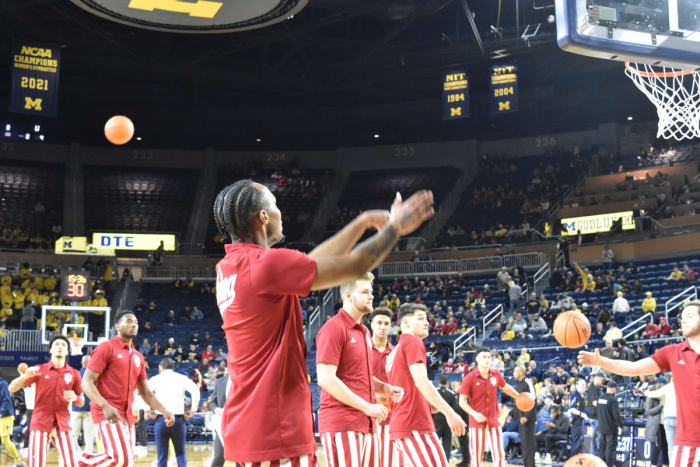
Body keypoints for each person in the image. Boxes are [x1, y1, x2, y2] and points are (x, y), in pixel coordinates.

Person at [213, 180, 433, 465]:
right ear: (263, 217)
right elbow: (355, 266)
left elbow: (311, 261)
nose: (281, 213)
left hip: (250, 421)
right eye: (275, 206)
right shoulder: (263, 265)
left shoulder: (230, 267)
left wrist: (362, 223)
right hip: (274, 426)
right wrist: (395, 229)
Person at [579, 301, 700, 466]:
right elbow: (633, 368)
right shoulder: (673, 352)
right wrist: (601, 361)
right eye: (682, 318)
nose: (683, 321)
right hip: (687, 443)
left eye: (690, 316)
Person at [316, 273, 402, 467]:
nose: (371, 296)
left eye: (371, 292)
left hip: (366, 422)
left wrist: (385, 389)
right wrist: (366, 406)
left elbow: (360, 376)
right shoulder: (333, 328)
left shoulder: (363, 332)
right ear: (348, 295)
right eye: (365, 292)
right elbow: (325, 379)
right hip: (343, 423)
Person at [78, 310, 175, 467]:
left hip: (127, 417)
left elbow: (146, 393)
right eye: (129, 321)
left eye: (136, 322)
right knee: (121, 460)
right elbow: (86, 382)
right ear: (117, 326)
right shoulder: (106, 348)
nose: (134, 324)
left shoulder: (138, 356)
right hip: (106, 412)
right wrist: (104, 405)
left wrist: (164, 411)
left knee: (126, 464)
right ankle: (78, 459)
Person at [387, 303, 465, 466]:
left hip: (399, 424)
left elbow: (405, 388)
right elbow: (421, 381)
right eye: (421, 318)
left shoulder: (394, 350)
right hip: (414, 424)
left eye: (427, 319)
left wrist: (426, 404)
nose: (427, 323)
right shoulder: (413, 342)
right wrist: (450, 413)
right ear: (405, 323)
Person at [8, 335, 83, 467]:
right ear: (51, 350)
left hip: (63, 423)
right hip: (40, 421)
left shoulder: (74, 373)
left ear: (67, 351)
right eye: (57, 344)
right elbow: (12, 388)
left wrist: (75, 398)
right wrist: (25, 376)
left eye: (63, 345)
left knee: (74, 462)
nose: (60, 346)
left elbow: (81, 401)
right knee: (35, 463)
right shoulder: (38, 370)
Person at [459, 347, 523, 467]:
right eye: (484, 357)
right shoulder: (470, 377)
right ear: (477, 359)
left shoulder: (496, 374)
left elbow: (506, 387)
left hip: (493, 420)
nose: (487, 359)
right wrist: (474, 414)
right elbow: (462, 402)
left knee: (499, 455)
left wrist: (519, 396)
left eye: (489, 357)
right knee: (476, 457)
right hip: (476, 421)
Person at [148, 357, 201, 467]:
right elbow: (195, 390)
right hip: (179, 420)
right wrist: (193, 409)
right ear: (172, 367)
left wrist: (148, 411)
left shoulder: (155, 378)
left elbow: (144, 394)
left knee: (162, 456)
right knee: (180, 454)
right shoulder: (182, 378)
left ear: (160, 368)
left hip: (161, 419)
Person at [370, 307, 395, 467]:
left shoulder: (396, 353)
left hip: (391, 416)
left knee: (389, 462)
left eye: (386, 323)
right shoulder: (360, 350)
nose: (383, 326)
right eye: (379, 322)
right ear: (371, 324)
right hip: (365, 414)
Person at [645, 379, 677, 462]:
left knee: (666, 446)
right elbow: (648, 411)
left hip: (665, 423)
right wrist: (660, 406)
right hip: (656, 425)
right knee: (656, 447)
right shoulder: (651, 396)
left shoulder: (668, 395)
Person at [511, 365, 536, 467]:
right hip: (521, 418)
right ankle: (527, 464)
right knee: (524, 444)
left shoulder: (527, 382)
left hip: (527, 419)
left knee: (528, 444)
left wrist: (526, 416)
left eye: (515, 371)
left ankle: (530, 465)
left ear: (521, 372)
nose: (513, 374)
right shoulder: (519, 385)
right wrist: (513, 414)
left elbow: (533, 399)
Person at [71, 355, 95, 451]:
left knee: (73, 434)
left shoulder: (75, 374)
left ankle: (72, 453)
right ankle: (88, 455)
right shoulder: (94, 375)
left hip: (76, 408)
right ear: (90, 363)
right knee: (89, 435)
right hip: (89, 408)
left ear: (81, 362)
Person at [595, 381, 622, 466]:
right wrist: (621, 426)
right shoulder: (613, 400)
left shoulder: (600, 398)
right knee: (610, 451)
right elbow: (616, 415)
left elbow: (597, 412)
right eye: (616, 389)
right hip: (611, 429)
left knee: (602, 450)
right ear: (613, 388)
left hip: (602, 428)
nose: (616, 391)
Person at [207, 371, 229, 467]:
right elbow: (211, 401)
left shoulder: (245, 379)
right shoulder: (220, 381)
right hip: (222, 425)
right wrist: (216, 409)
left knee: (240, 460)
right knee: (218, 457)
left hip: (240, 425)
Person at [434, 376, 459, 462]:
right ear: (447, 384)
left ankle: (434, 461)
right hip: (448, 420)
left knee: (434, 442)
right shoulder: (452, 394)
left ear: (438, 382)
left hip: (435, 420)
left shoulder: (434, 392)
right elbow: (456, 409)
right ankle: (445, 462)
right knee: (447, 443)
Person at [568, 379, 589, 455]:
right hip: (576, 421)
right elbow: (572, 409)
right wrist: (582, 414)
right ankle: (573, 459)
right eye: (582, 385)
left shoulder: (585, 395)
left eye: (585, 385)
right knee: (576, 441)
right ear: (577, 386)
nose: (584, 387)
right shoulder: (574, 395)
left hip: (584, 421)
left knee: (583, 441)